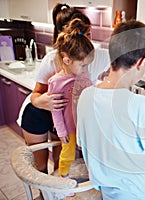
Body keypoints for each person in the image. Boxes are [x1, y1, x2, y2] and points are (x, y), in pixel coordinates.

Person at [76, 20, 145, 200]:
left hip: (106, 191)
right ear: (141, 63)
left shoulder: (85, 96)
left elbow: (82, 143)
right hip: (135, 194)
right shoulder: (138, 104)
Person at [48, 18, 94, 182]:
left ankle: (92, 178)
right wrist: (61, 132)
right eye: (83, 65)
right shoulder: (56, 82)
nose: (85, 69)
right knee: (67, 154)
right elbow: (56, 110)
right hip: (69, 128)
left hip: (86, 125)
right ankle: (64, 179)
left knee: (89, 152)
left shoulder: (83, 73)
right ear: (67, 60)